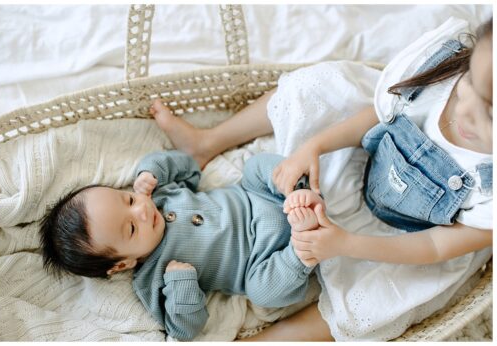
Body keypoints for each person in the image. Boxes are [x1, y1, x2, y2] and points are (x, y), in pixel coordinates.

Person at [147, 17, 492, 341]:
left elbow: (435, 247)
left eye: (489, 113)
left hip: (404, 238)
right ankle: (207, 143)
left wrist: (345, 244)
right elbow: (379, 116)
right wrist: (314, 146)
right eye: (469, 85)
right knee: (308, 90)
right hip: (359, 161)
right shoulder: (444, 64)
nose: (463, 110)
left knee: (370, 305)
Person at [39, 150, 323, 341]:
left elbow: (189, 170)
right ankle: (303, 244)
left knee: (257, 166)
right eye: (132, 228)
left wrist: (152, 172)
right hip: (264, 257)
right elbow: (184, 329)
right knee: (263, 292)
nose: (141, 211)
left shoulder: (158, 193)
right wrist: (181, 283)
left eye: (127, 200)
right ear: (123, 263)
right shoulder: (152, 279)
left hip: (254, 196)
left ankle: (296, 190)